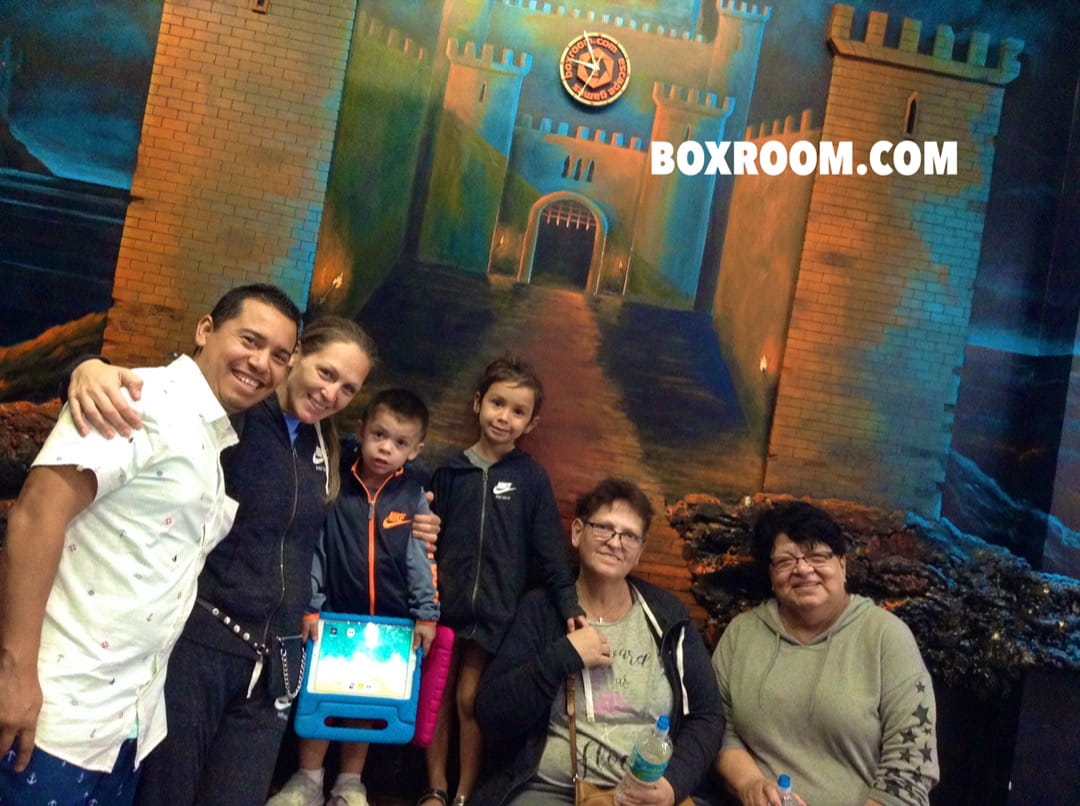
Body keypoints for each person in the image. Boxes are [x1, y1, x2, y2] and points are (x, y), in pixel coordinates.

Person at [63, 316, 441, 806]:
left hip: (276, 658)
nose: (332, 393)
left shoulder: (327, 444)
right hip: (202, 642)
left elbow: (389, 476)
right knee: (167, 792)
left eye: (348, 388)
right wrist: (85, 367)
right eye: (326, 373)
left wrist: (419, 514)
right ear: (297, 354)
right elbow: (156, 400)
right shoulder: (236, 414)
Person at [0, 283, 302, 805]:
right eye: (250, 340)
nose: (261, 363)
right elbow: (35, 516)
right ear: (205, 330)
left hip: (125, 727)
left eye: (279, 355)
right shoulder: (141, 400)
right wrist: (15, 672)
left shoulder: (212, 437)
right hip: (53, 711)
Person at [471, 477, 723, 806]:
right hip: (551, 791)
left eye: (629, 535)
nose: (615, 543)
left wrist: (673, 785)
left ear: (640, 551)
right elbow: (491, 714)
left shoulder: (667, 616)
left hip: (644, 798)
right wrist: (561, 658)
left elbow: (707, 715)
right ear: (578, 532)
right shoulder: (541, 609)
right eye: (604, 528)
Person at [420, 356, 582, 806]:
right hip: (442, 610)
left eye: (518, 411)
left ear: (531, 423)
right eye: (497, 403)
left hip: (496, 617)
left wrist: (570, 607)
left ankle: (466, 793)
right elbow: (425, 543)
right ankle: (435, 787)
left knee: (470, 700)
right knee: (435, 697)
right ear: (478, 403)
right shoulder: (450, 473)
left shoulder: (531, 479)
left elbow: (551, 552)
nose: (504, 417)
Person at [270, 388, 439, 806]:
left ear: (415, 450)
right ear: (361, 431)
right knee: (321, 694)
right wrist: (310, 605)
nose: (386, 448)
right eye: (379, 435)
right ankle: (308, 779)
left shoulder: (413, 495)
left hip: (389, 623)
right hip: (332, 615)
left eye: (400, 442)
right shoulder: (336, 481)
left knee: (365, 699)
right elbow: (316, 547)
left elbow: (421, 559)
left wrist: (426, 614)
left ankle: (349, 782)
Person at [711, 501, 939, 806]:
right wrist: (750, 784)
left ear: (842, 565)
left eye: (817, 556)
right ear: (771, 574)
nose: (803, 569)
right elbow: (715, 725)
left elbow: (911, 766)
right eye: (786, 561)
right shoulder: (742, 634)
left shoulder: (887, 637)